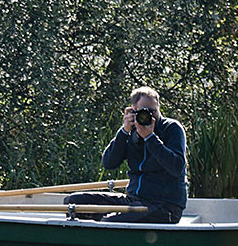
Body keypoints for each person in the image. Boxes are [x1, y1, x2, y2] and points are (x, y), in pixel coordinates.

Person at [64, 86, 187, 223]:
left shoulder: (172, 128)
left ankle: (111, 222)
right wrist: (123, 132)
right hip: (134, 200)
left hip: (165, 206)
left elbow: (177, 168)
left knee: (109, 223)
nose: (149, 117)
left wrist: (150, 137)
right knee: (73, 202)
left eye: (153, 111)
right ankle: (102, 228)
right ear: (133, 110)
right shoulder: (131, 131)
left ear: (159, 107)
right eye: (144, 112)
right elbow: (109, 163)